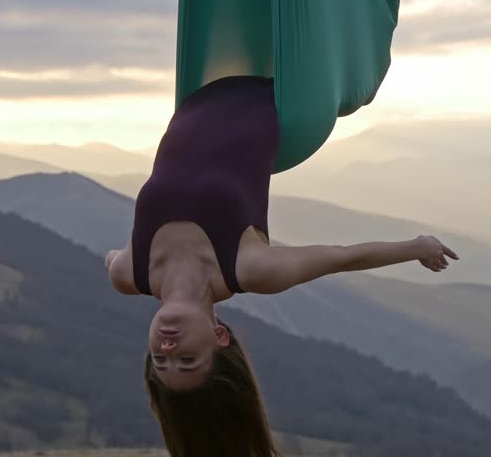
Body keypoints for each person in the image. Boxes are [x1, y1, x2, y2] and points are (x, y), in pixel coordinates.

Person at [104, 75, 458, 456]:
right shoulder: (251, 269)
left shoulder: (129, 273)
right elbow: (342, 256)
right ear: (219, 336)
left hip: (201, 82)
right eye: (187, 359)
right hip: (275, 89)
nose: (169, 346)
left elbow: (109, 257)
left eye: (160, 358)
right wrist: (417, 247)